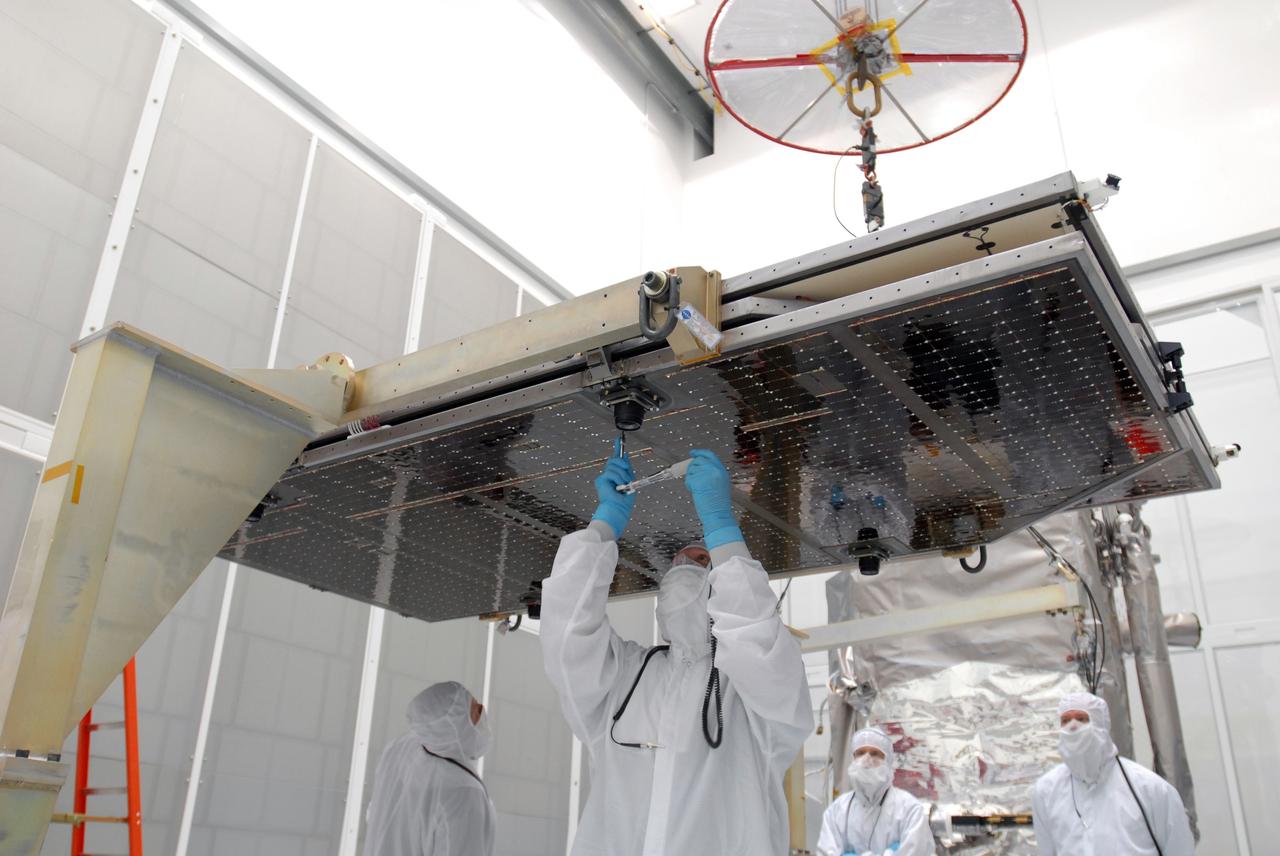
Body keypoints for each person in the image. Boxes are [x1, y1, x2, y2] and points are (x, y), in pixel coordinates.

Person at [541, 446, 813, 855]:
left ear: (724, 582)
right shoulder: (626, 676)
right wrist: (603, 525)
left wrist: (721, 526)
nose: (687, 564)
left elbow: (755, 637)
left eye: (705, 559)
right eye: (678, 562)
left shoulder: (755, 697)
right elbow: (566, 631)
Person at [1031, 691, 1194, 856]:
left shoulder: (1149, 788)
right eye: (1065, 721)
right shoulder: (1046, 791)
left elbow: (1179, 849)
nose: (1072, 727)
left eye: (1081, 719)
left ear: (1101, 725)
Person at [364, 681, 495, 856]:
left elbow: (376, 813)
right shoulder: (463, 791)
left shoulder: (398, 750)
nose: (483, 712)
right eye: (476, 711)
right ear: (457, 726)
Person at [816, 727, 935, 856]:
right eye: (860, 753)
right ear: (853, 758)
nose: (866, 760)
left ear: (888, 760)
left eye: (874, 753)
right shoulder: (837, 811)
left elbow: (917, 851)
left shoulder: (909, 809)